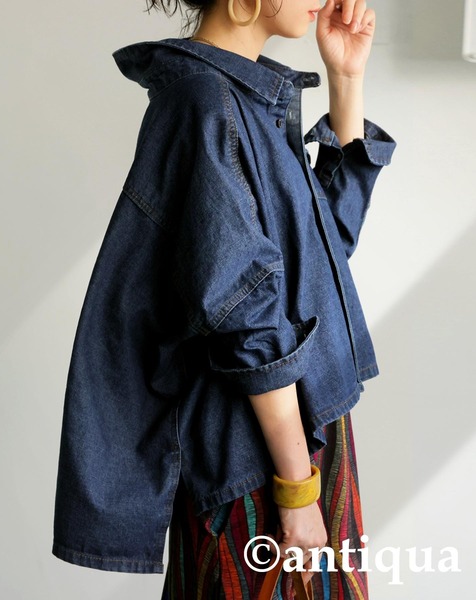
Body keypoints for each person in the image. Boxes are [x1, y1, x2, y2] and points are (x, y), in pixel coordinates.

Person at [52, 0, 396, 598]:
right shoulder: (204, 104)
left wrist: (346, 78)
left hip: (296, 436)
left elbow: (324, 255)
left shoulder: (241, 99)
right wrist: (296, 488)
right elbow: (244, 312)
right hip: (256, 459)